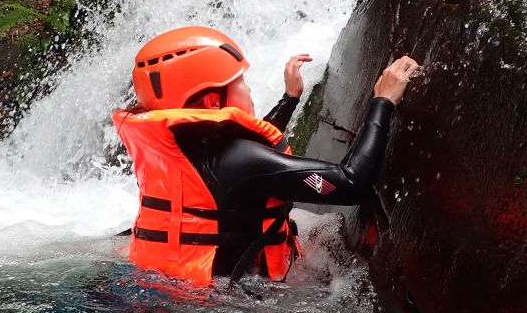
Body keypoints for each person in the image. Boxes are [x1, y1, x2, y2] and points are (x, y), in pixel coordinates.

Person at [112, 26, 419, 285]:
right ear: (211, 102)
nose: (249, 90)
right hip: (232, 306)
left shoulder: (171, 147)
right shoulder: (240, 161)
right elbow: (351, 182)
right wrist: (383, 101)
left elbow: (245, 162)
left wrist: (289, 99)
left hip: (168, 283)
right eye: (240, 83)